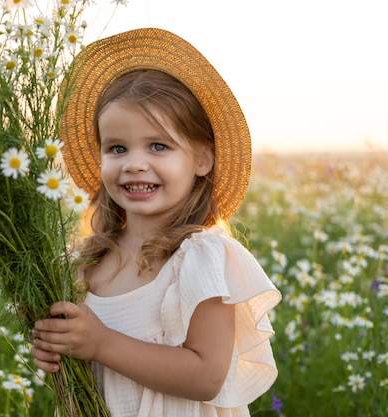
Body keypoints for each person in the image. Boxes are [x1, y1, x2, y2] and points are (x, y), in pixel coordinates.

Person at [31, 28, 281, 417]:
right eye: (117, 148)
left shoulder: (198, 258)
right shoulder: (87, 263)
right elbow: (89, 371)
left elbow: (207, 376)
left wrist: (101, 344)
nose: (133, 163)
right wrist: (58, 349)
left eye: (158, 146)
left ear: (202, 159)